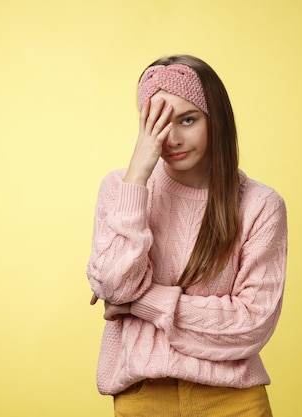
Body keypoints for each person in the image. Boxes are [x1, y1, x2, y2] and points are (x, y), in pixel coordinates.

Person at [86, 54, 287, 417]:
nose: (172, 138)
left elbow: (251, 324)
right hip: (145, 395)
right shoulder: (121, 188)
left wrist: (140, 303)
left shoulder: (260, 205)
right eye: (157, 122)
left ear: (216, 120)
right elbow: (114, 285)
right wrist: (137, 178)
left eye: (188, 119)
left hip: (233, 399)